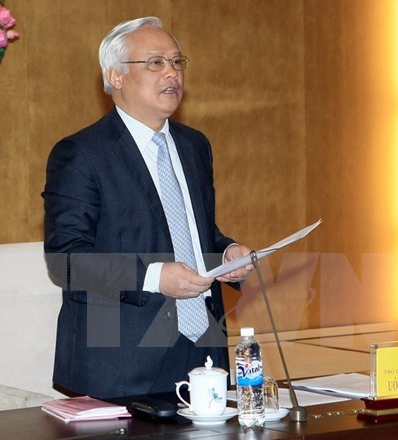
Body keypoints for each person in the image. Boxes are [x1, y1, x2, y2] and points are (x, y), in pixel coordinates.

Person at [43, 16, 252, 399]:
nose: (172, 73)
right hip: (122, 359)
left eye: (177, 62)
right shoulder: (81, 154)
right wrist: (154, 277)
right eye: (156, 62)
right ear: (116, 76)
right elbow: (66, 261)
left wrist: (225, 254)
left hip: (203, 346)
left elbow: (192, 233)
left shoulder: (194, 145)